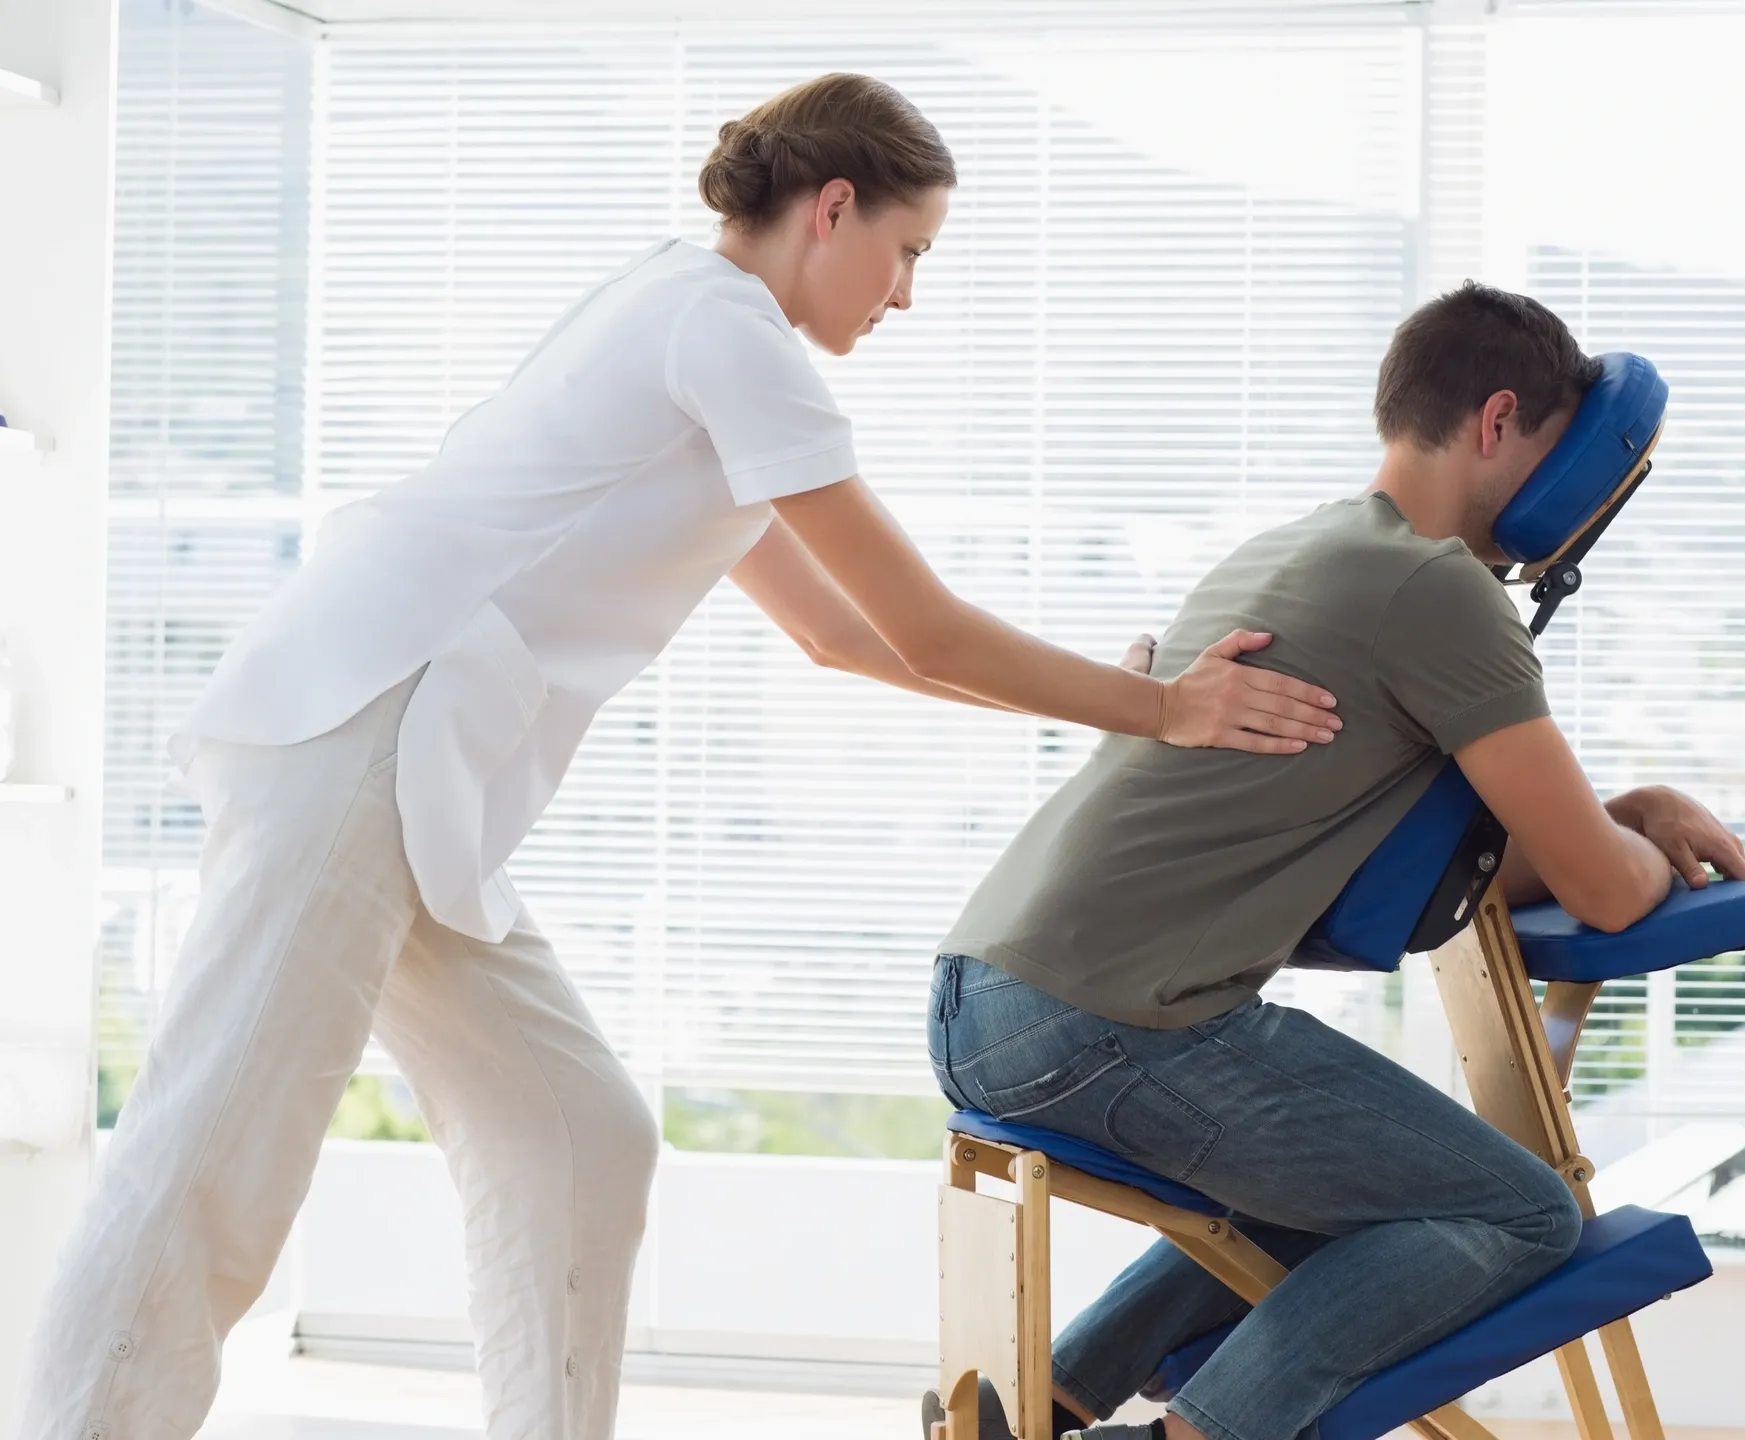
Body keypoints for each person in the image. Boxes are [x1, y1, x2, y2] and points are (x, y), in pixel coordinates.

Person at [17, 74, 1345, 1440]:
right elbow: (922, 626)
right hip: (361, 725)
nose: (902, 300)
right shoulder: (723, 330)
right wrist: (1164, 714)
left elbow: (841, 635)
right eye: (905, 254)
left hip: (423, 771)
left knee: (576, 1134)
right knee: (212, 1157)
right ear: (831, 210)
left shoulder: (692, 323)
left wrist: (1103, 701)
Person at [922, 283, 1745, 1440]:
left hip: (990, 996)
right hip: (1109, 1021)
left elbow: (1429, 855)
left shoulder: (1300, 545)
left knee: (1389, 1180)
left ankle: (1034, 1408)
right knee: (1519, 1214)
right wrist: (1653, 824)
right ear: (1499, 421)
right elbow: (1605, 888)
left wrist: (1620, 808)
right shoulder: (1440, 588)